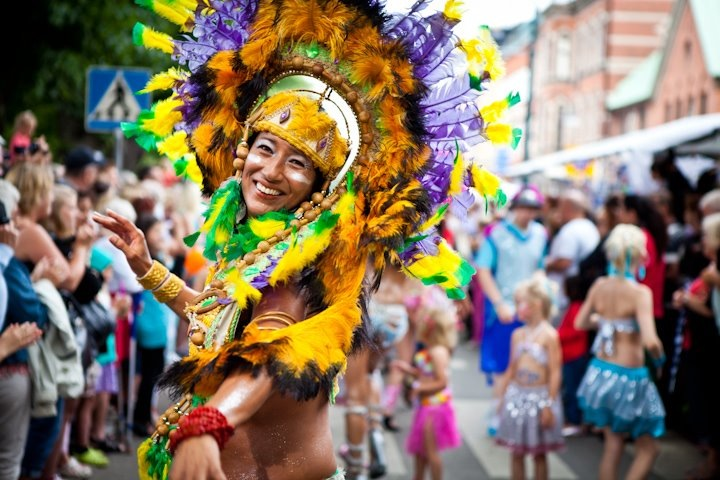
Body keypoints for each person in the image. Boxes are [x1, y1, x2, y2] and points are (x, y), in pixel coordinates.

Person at [94, 1, 512, 478]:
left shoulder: (304, 267)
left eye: (297, 162)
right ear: (244, 150)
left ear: (321, 183)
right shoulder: (258, 247)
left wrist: (210, 421)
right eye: (265, 148)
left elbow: (270, 354)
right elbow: (219, 328)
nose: (270, 172)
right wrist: (150, 271)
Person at [575, 224, 666, 480]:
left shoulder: (600, 285)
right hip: (630, 378)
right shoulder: (640, 293)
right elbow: (650, 340)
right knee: (649, 449)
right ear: (638, 254)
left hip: (600, 372)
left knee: (613, 444)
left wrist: (606, 322)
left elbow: (580, 322)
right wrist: (660, 359)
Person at [475, 185, 547, 435]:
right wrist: (498, 303)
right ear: (515, 208)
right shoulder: (496, 234)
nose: (528, 214)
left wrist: (540, 289)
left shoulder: (540, 234)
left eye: (533, 209)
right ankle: (498, 413)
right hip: (503, 311)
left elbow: (539, 266)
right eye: (524, 208)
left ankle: (517, 413)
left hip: (531, 311)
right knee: (501, 365)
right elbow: (482, 269)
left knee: (527, 363)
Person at [495, 272, 564, 480]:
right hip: (517, 396)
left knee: (538, 454)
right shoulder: (517, 335)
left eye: (520, 303)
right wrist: (501, 396)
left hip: (539, 398)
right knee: (516, 452)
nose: (517, 309)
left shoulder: (549, 335)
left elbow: (555, 371)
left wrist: (549, 404)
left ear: (536, 304)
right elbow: (511, 368)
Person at [392, 285, 461, 480]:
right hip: (425, 405)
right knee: (420, 452)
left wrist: (418, 387)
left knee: (431, 453)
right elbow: (425, 372)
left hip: (435, 407)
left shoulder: (437, 351)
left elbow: (441, 381)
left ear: (429, 327)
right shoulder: (430, 349)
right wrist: (409, 370)